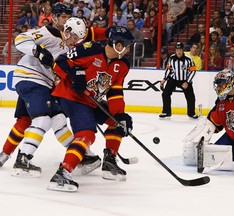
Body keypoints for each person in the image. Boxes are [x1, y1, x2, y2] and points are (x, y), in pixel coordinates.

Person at [0, 3, 89, 175]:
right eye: (62, 17)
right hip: (32, 78)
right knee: (43, 120)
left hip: (43, 83)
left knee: (41, 120)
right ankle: (23, 159)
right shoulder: (48, 32)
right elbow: (19, 40)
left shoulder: (68, 42)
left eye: (67, 17)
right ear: (54, 17)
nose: (65, 21)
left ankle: (4, 155)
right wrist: (37, 51)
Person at [47, 26, 135, 192]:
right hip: (71, 97)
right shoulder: (90, 50)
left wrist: (120, 115)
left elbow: (115, 92)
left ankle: (109, 161)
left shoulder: (123, 65)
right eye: (127, 44)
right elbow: (59, 62)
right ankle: (63, 173)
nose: (129, 48)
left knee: (117, 122)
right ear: (116, 44)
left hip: (91, 101)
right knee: (86, 134)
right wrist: (74, 74)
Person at [159, 42, 198, 120]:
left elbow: (193, 71)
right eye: (177, 50)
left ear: (183, 50)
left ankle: (191, 113)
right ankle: (166, 112)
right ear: (175, 50)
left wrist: (187, 82)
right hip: (173, 79)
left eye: (180, 50)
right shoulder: (171, 58)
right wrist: (164, 79)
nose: (179, 52)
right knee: (165, 94)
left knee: (190, 96)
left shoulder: (189, 59)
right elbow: (168, 69)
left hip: (185, 80)